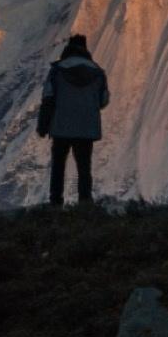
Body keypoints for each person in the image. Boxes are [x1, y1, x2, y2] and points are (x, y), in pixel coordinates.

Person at [38, 29, 111, 205]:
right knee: (84, 168)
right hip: (86, 129)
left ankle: (56, 203)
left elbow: (48, 98)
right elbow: (103, 100)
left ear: (68, 49)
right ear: (85, 50)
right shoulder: (98, 72)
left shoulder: (57, 71)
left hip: (61, 127)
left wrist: (43, 125)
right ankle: (85, 203)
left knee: (58, 166)